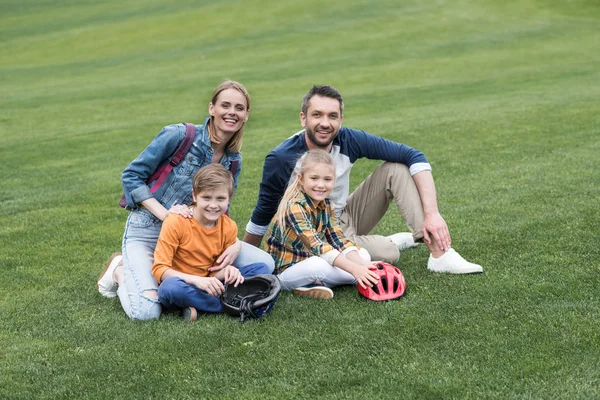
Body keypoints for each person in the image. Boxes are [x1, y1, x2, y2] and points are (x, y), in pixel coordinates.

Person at [244, 85, 482, 274]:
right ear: (303, 118)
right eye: (317, 115)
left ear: (341, 119)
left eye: (332, 116)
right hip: (309, 233)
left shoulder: (349, 140)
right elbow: (263, 212)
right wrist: (246, 261)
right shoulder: (282, 157)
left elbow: (414, 156)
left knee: (396, 168)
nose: (325, 123)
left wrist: (432, 214)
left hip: (341, 217)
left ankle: (440, 255)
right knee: (389, 254)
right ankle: (390, 242)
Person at [98, 80, 275, 321]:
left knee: (265, 263)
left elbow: (223, 208)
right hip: (148, 231)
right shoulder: (179, 135)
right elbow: (131, 176)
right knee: (146, 312)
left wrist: (233, 243)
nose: (231, 112)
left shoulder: (234, 159)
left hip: (196, 238)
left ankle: (194, 297)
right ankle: (120, 270)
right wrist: (165, 214)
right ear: (212, 108)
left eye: (239, 108)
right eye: (225, 105)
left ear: (246, 115)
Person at [152, 164, 271, 321]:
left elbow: (214, 271)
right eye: (206, 198)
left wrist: (228, 271)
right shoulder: (176, 222)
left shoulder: (229, 226)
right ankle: (233, 304)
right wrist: (197, 280)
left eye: (220, 198)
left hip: (211, 283)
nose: (213, 205)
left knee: (262, 269)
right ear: (195, 196)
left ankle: (198, 305)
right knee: (169, 289)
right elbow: (160, 270)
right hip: (183, 282)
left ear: (229, 197)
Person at [265, 149, 380, 299]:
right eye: (314, 178)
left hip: (310, 259)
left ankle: (314, 284)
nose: (320, 185)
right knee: (318, 265)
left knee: (363, 255)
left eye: (327, 179)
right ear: (301, 179)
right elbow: (317, 246)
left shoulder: (326, 204)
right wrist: (356, 270)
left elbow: (338, 239)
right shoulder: (294, 207)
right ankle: (355, 277)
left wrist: (362, 265)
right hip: (285, 271)